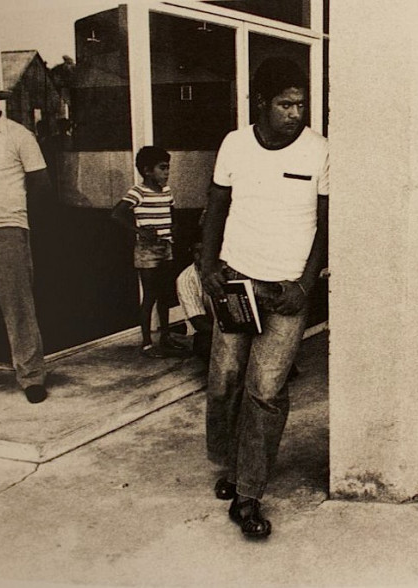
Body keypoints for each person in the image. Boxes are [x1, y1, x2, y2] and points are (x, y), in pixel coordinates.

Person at [200, 57, 328, 539]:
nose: (295, 113)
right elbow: (216, 206)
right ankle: (232, 466)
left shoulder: (319, 151)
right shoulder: (235, 144)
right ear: (261, 102)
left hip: (286, 292)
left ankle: (249, 493)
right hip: (236, 281)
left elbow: (326, 225)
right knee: (225, 379)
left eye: (300, 104)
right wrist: (208, 268)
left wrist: (305, 286)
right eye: (285, 104)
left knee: (267, 391)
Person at [0, 63, 51, 404]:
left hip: (7, 232)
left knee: (18, 309)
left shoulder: (19, 136)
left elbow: (41, 184)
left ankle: (31, 377)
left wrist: (16, 217)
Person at [111, 146, 184, 358]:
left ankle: (166, 336)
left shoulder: (167, 191)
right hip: (147, 250)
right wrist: (140, 231)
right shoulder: (138, 192)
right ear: (147, 170)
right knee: (150, 294)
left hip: (166, 246)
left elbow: (171, 212)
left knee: (165, 294)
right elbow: (116, 214)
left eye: (168, 168)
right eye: (162, 168)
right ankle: (146, 343)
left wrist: (174, 226)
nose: (167, 172)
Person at [176, 242, 214, 362]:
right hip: (210, 331)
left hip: (234, 325)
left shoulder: (226, 269)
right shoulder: (186, 278)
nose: (201, 255)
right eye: (197, 251)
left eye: (205, 250)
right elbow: (198, 322)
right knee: (204, 344)